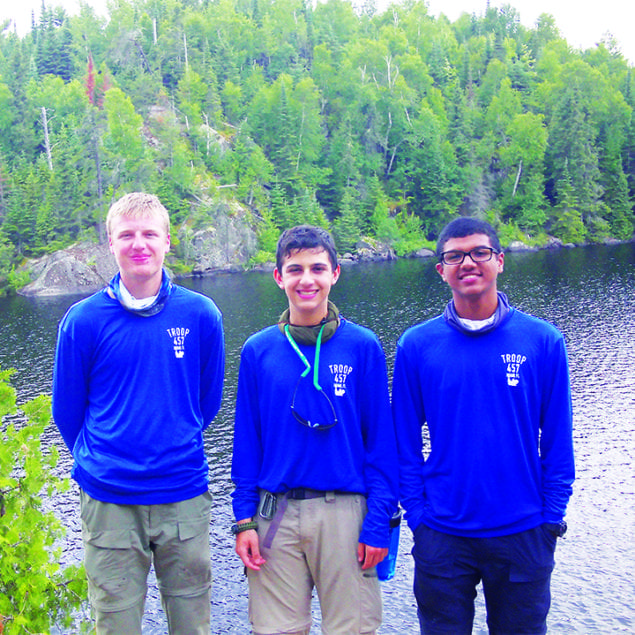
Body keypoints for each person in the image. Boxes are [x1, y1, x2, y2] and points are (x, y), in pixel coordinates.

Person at [52, 192, 225, 634]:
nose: (139, 244)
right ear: (111, 243)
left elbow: (205, 403)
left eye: (150, 234)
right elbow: (68, 413)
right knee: (115, 624)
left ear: (167, 240)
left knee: (192, 623)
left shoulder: (201, 314)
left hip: (183, 493)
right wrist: (109, 459)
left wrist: (168, 441)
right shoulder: (83, 320)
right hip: (109, 500)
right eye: (126, 235)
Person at [392, 217, 575, 635]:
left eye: (479, 252)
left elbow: (559, 443)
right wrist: (417, 514)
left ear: (499, 261)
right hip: (442, 533)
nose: (467, 263)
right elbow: (403, 442)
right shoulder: (417, 345)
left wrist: (550, 517)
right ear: (441, 270)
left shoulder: (542, 341)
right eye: (454, 256)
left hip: (524, 531)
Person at [231, 225, 398, 635]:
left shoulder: (363, 346)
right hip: (275, 514)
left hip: (346, 514)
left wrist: (378, 521)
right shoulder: (258, 350)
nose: (307, 280)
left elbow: (381, 445)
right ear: (278, 277)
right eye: (295, 269)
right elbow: (247, 444)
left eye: (318, 268)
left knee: (353, 629)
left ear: (335, 273)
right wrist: (242, 521)